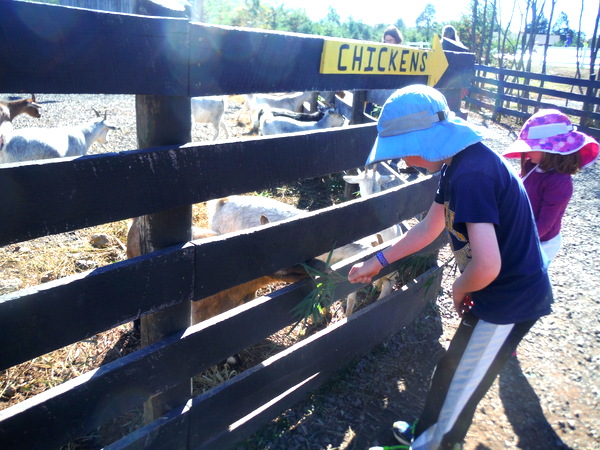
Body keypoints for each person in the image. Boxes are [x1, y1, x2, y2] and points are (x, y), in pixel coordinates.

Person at [347, 84, 553, 450]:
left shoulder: (472, 174)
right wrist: (378, 261)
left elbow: (488, 265)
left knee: (461, 387)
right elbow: (430, 227)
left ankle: (434, 443)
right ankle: (427, 433)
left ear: (428, 140)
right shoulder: (458, 164)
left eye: (405, 151)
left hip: (509, 300)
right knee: (450, 371)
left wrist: (459, 287)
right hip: (492, 291)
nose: (403, 161)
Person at [503, 109, 599, 263]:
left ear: (550, 150)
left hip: (541, 241)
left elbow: (545, 223)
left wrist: (519, 240)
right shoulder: (532, 166)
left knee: (526, 275)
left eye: (532, 146)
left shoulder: (559, 182)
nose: (527, 151)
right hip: (523, 227)